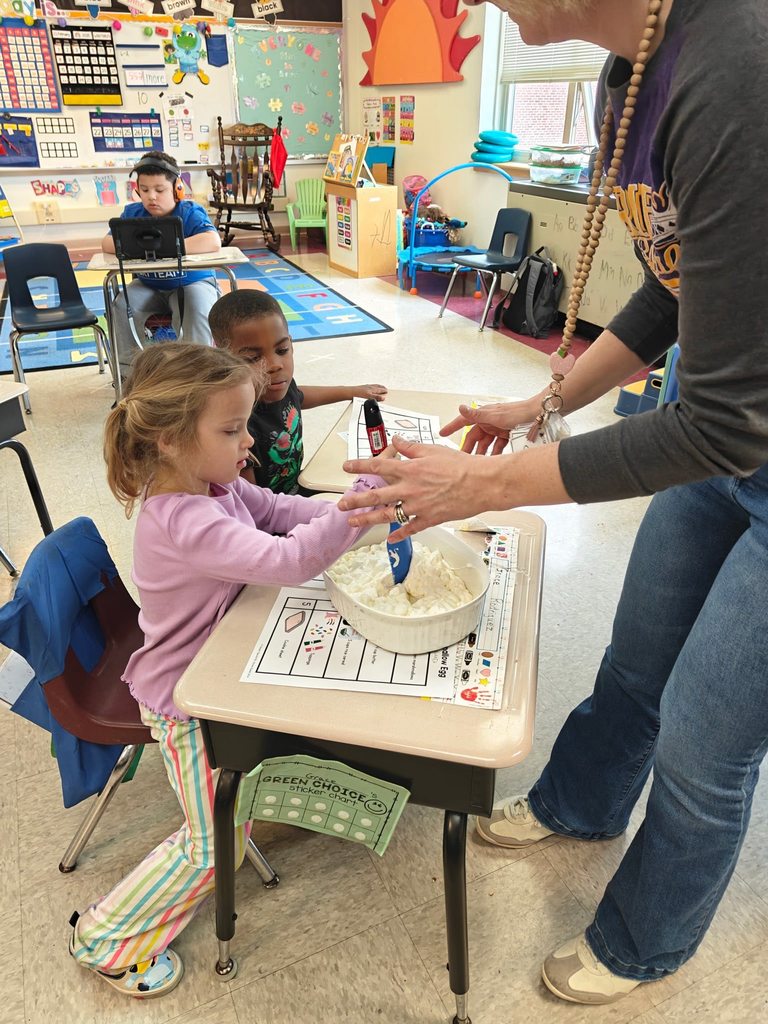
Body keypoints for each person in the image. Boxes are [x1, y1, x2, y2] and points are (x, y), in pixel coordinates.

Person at [340, 0, 768, 1006]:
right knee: (639, 654)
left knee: (709, 733)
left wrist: (477, 486)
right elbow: (671, 292)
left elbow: (719, 426)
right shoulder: (637, 73)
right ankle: (582, 803)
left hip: (731, 422)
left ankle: (646, 937)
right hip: (720, 412)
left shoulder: (737, 64)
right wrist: (546, 401)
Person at [69, 343, 386, 998]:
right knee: (213, 848)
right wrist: (360, 503)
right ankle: (105, 937)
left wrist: (346, 511)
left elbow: (277, 512)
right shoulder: (182, 516)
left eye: (245, 424)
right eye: (232, 428)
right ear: (168, 441)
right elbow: (286, 563)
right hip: (186, 703)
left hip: (220, 672)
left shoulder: (212, 483)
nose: (249, 440)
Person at [209, 289, 388, 493]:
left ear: (291, 344)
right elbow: (253, 506)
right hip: (272, 513)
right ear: (223, 359)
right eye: (253, 358)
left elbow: (299, 396)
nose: (275, 365)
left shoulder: (278, 386)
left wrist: (351, 391)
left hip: (296, 487)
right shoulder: (238, 424)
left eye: (282, 350)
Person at [102, 151, 221, 380]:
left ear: (177, 188)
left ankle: (198, 375)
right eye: (144, 190)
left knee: (195, 307)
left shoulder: (190, 212)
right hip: (149, 285)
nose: (151, 197)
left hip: (193, 283)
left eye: (159, 190)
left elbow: (212, 240)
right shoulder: (132, 214)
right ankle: (130, 376)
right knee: (121, 305)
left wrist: (165, 247)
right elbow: (107, 242)